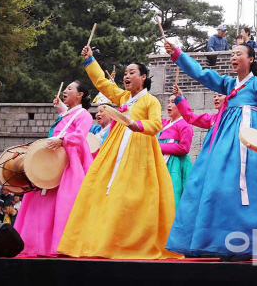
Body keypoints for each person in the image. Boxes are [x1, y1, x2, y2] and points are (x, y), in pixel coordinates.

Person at [164, 40, 257, 260]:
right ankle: (222, 239)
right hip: (227, 137)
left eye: (238, 54)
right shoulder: (227, 83)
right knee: (220, 184)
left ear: (251, 59)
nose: (233, 58)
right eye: (232, 55)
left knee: (255, 184)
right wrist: (178, 55)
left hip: (252, 134)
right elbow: (201, 73)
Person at [58, 47, 179, 259]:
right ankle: (103, 241)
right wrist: (90, 60)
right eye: (125, 73)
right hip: (115, 150)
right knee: (102, 190)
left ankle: (129, 242)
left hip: (139, 150)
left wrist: (136, 124)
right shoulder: (123, 98)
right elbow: (103, 84)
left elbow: (156, 125)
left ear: (143, 77)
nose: (127, 76)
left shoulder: (150, 101)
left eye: (132, 72)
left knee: (131, 197)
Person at [14, 81, 93, 256]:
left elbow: (79, 136)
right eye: (65, 89)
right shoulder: (69, 114)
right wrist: (61, 108)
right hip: (54, 159)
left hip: (69, 163)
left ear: (80, 95)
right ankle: (37, 244)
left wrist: (63, 140)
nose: (65, 91)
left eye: (70, 89)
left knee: (64, 203)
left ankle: (60, 245)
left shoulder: (85, 115)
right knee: (44, 202)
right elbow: (67, 119)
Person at [158, 94, 193, 209]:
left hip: (175, 165)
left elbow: (184, 148)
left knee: (172, 194)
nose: (169, 104)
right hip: (159, 161)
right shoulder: (164, 123)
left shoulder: (185, 124)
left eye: (173, 102)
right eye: (168, 101)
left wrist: (160, 147)